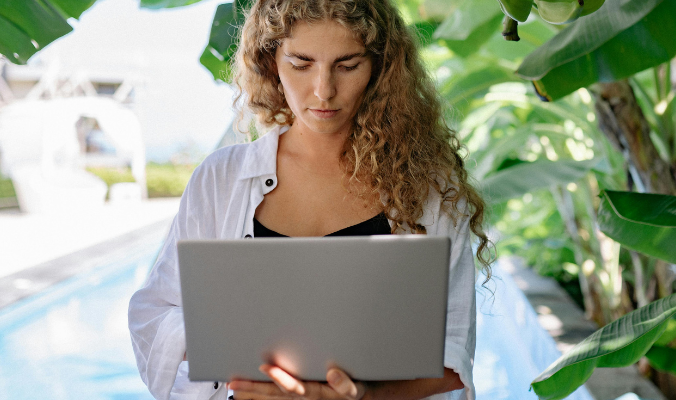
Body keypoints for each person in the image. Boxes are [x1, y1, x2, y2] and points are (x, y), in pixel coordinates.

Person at [128, 0, 492, 399]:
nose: (324, 90)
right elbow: (154, 312)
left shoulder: (429, 187)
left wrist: (359, 397)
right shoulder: (221, 178)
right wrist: (231, 344)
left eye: (348, 65)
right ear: (271, 62)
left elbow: (453, 358)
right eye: (301, 64)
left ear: (381, 67)